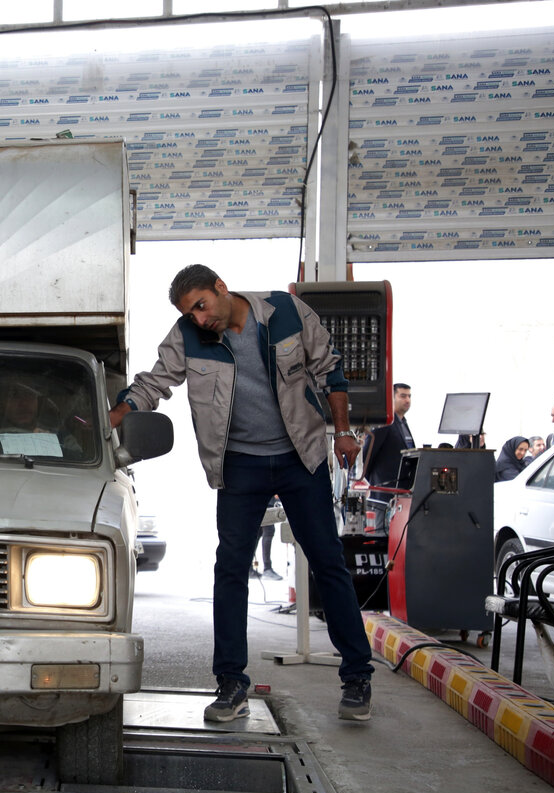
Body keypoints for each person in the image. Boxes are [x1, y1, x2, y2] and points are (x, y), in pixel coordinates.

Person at [108, 264, 374, 723]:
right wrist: (108, 418)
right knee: (230, 570)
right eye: (189, 313)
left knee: (328, 562)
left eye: (201, 306)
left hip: (300, 458)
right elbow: (154, 384)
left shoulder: (285, 312)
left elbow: (330, 369)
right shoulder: (187, 336)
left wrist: (344, 432)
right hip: (239, 466)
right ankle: (231, 684)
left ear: (221, 288)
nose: (198, 318)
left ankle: (357, 676)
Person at [361, 383, 414, 489]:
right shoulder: (385, 423)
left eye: (409, 396)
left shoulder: (403, 423)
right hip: (385, 488)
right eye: (403, 396)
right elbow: (367, 455)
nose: (407, 400)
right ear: (391, 398)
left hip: (403, 488)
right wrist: (371, 482)